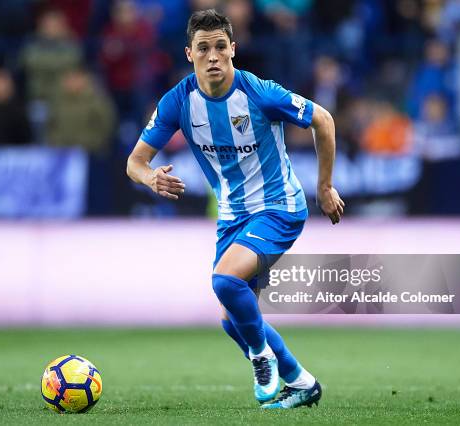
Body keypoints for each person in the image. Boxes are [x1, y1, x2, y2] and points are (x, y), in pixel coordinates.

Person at [126, 9, 344, 409]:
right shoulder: (177, 102)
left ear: (233, 50)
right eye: (204, 48)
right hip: (233, 215)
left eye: (220, 47)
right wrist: (150, 178)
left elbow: (324, 121)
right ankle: (301, 381)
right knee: (232, 321)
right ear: (189, 53)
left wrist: (325, 186)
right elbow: (135, 162)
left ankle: (261, 357)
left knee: (225, 283)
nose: (213, 56)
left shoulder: (259, 93)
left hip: (279, 206)